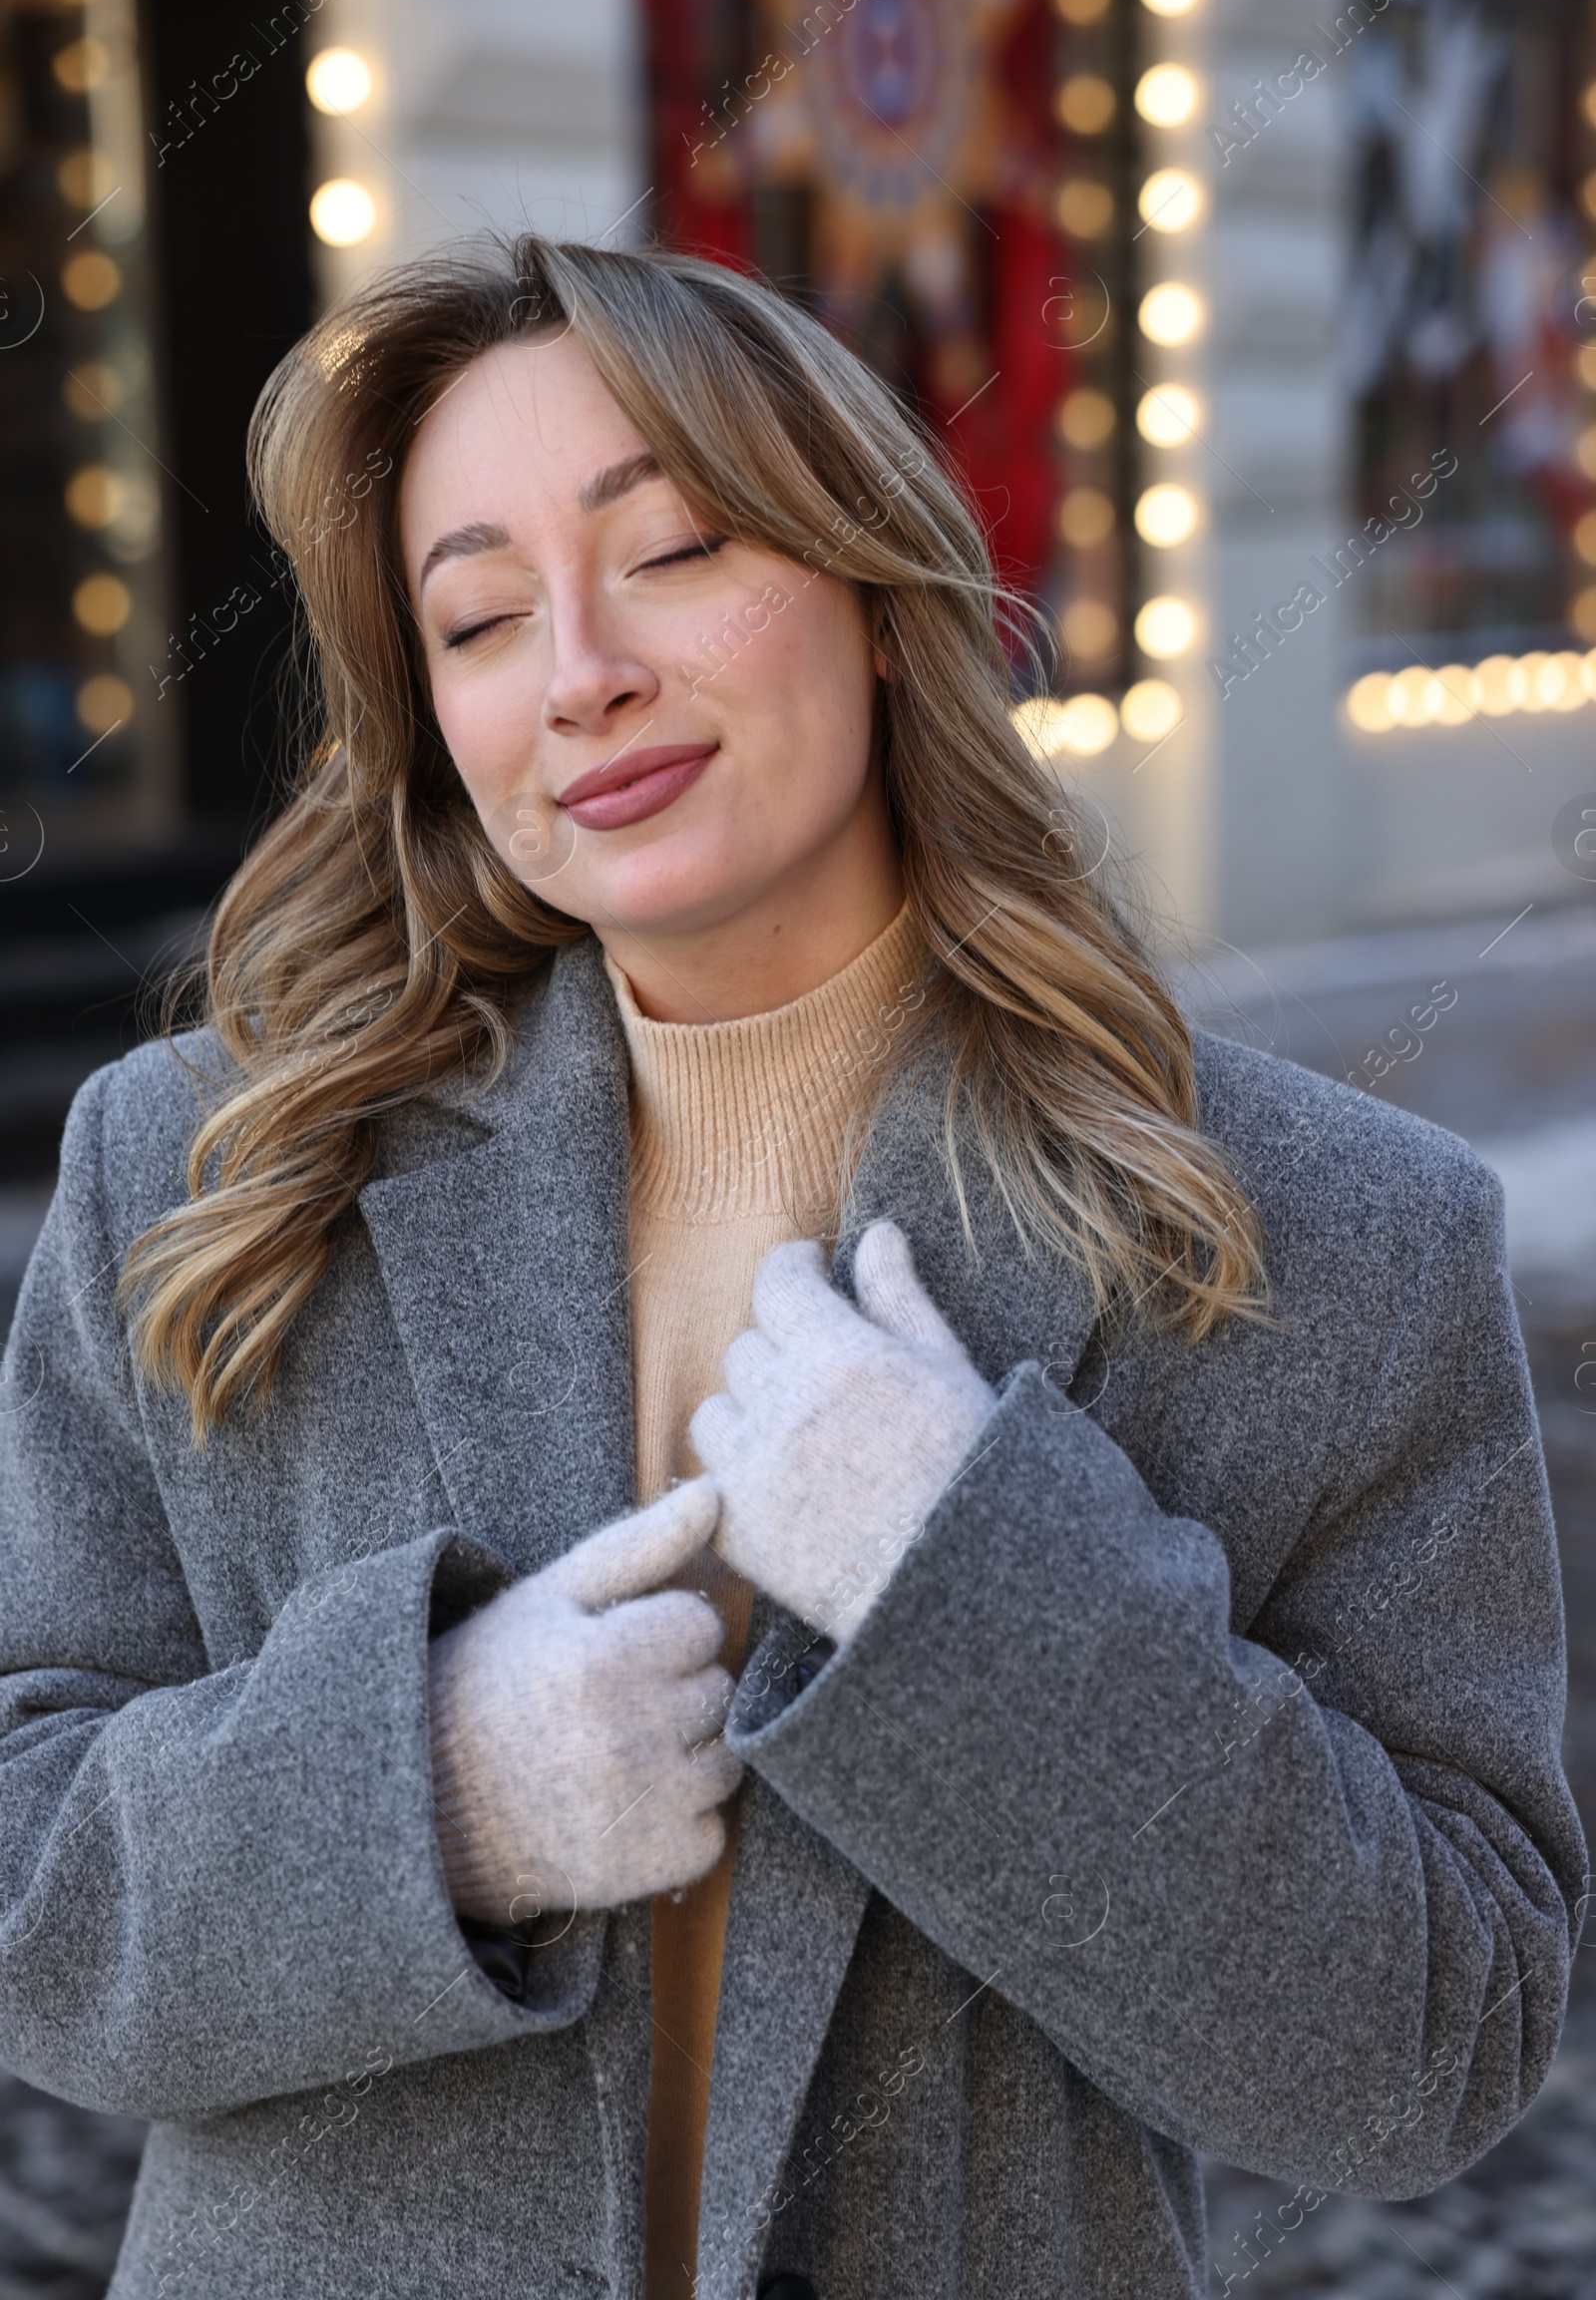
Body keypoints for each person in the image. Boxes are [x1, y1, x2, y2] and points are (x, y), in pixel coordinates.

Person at [0, 234, 1583, 2300]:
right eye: (476, 617)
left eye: (663, 551)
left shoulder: (1329, 1237)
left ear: (870, 587)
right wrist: (433, 1788)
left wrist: (974, 1588)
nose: (577, 671)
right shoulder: (207, 1172)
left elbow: (1422, 2056)